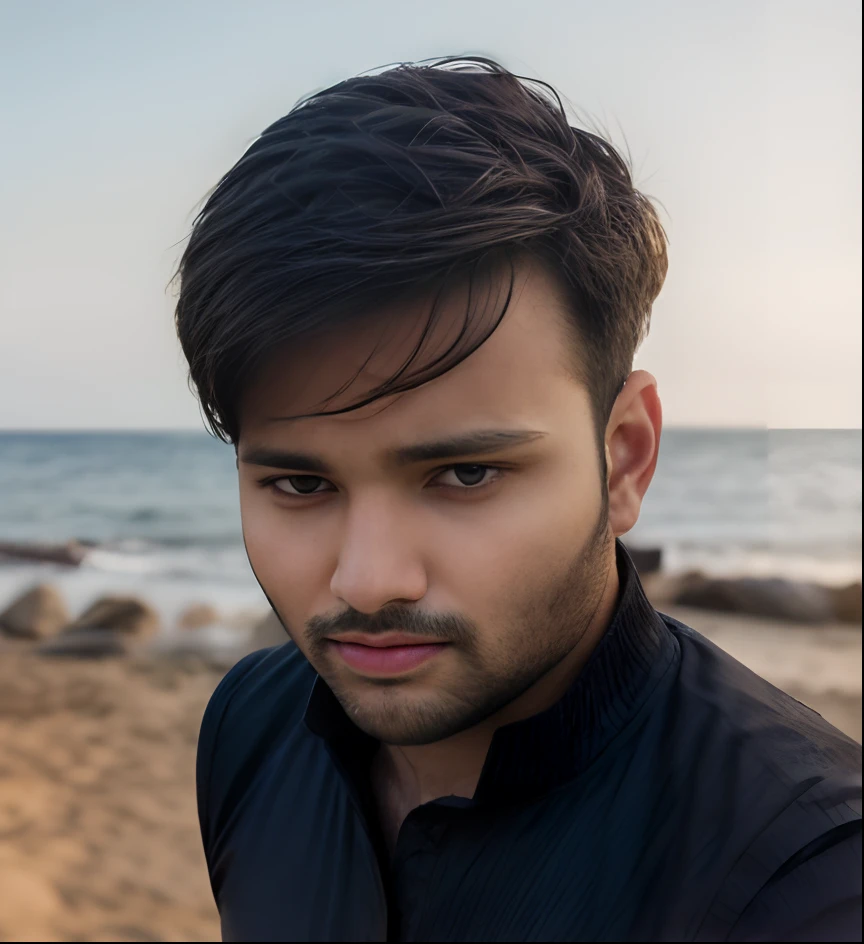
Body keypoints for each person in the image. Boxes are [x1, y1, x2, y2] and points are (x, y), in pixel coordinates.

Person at [175, 57, 862, 942]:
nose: (371, 581)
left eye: (465, 475)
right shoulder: (250, 725)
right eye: (300, 484)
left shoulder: (808, 878)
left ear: (624, 459)